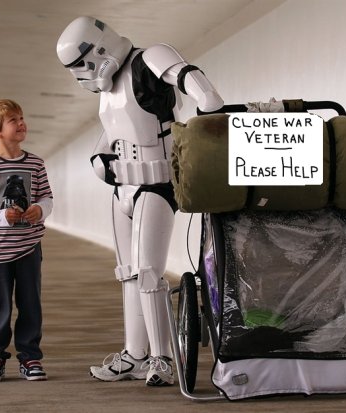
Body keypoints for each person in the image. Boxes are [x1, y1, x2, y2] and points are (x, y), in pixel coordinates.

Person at [56, 16, 223, 386]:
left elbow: (186, 75)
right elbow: (114, 129)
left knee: (148, 273)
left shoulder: (148, 60)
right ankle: (134, 354)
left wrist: (208, 102)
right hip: (124, 189)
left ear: (97, 48)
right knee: (128, 274)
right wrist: (100, 158)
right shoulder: (109, 89)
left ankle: (163, 359)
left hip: (156, 185)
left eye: (81, 64)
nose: (81, 74)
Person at [0, 98, 54, 382]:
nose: (21, 123)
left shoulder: (36, 163)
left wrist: (40, 209)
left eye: (21, 118)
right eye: (13, 120)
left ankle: (30, 358)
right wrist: (0, 216)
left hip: (29, 246)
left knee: (31, 304)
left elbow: (47, 197)